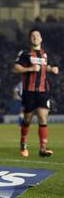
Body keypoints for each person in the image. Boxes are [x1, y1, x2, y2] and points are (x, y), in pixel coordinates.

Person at [13, 28, 60, 158]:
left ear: (41, 38)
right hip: (29, 91)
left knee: (42, 118)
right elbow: (16, 68)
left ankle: (43, 149)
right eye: (33, 36)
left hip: (43, 91)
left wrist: (52, 69)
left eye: (37, 35)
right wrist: (30, 68)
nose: (35, 37)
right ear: (30, 39)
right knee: (27, 118)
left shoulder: (46, 53)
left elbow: (47, 66)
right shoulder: (25, 53)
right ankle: (23, 143)